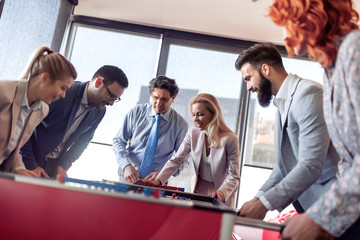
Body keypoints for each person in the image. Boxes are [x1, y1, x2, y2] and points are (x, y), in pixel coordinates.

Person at [268, 0, 360, 239]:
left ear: (310, 19)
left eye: (289, 26)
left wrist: (321, 217)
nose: (287, 39)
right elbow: (349, 164)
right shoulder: (329, 70)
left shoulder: (355, 51)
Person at [235, 43, 339, 219]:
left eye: (248, 78)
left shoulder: (309, 94)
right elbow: (285, 165)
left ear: (265, 69)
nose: (248, 87)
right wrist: (258, 199)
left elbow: (311, 164)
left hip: (334, 208)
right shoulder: (283, 103)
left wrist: (264, 204)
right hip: (313, 210)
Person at [20, 65, 128, 177]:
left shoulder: (99, 111)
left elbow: (83, 141)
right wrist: (30, 163)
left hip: (53, 168)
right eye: (111, 96)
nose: (111, 103)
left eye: (116, 99)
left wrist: (63, 166)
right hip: (26, 159)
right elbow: (24, 126)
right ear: (98, 82)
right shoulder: (63, 92)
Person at [149, 93, 240, 207]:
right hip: (198, 188)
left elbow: (234, 175)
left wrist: (222, 192)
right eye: (193, 115)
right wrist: (159, 180)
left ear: (213, 114)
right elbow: (177, 160)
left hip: (220, 191)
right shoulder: (193, 133)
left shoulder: (230, 139)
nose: (195, 119)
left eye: (200, 114)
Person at [0, 46, 76, 176]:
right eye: (63, 88)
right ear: (45, 77)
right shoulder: (3, 91)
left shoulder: (41, 110)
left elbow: (12, 149)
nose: (63, 95)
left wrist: (19, 169)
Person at [113, 75, 188, 184]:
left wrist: (163, 173)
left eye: (164, 99)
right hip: (128, 175)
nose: (158, 103)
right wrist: (126, 165)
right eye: (155, 98)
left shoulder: (181, 125)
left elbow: (183, 160)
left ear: (173, 99)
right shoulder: (136, 112)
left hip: (157, 181)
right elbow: (118, 141)